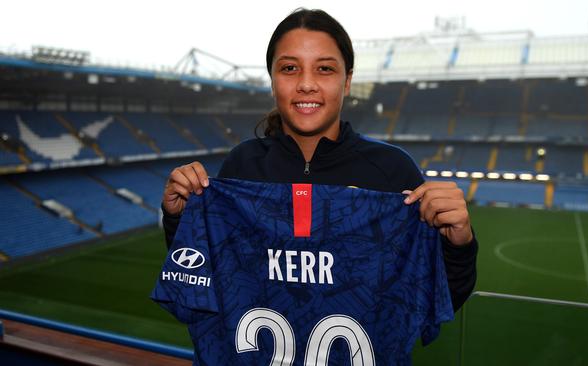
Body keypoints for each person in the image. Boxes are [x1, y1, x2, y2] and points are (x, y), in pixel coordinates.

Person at [161, 8, 476, 314]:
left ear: (347, 81)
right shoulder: (242, 165)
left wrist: (457, 244)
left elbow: (437, 300)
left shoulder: (393, 170)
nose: (307, 84)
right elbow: (204, 284)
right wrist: (179, 219)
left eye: (324, 68)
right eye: (289, 68)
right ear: (272, 80)